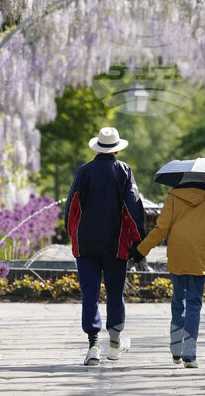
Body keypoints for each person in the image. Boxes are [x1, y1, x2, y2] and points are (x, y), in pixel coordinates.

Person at [64, 127, 147, 366]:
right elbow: (134, 210)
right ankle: (114, 344)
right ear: (117, 148)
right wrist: (137, 243)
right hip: (116, 244)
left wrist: (75, 238)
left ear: (97, 147)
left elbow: (72, 210)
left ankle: (92, 346)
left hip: (86, 245)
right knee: (114, 291)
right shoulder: (124, 171)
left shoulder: (84, 172)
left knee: (89, 292)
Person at [129, 173, 205, 368]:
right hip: (201, 253)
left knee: (178, 301)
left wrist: (141, 250)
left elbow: (161, 228)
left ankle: (176, 351)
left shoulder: (174, 195)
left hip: (178, 253)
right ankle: (190, 355)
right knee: (194, 304)